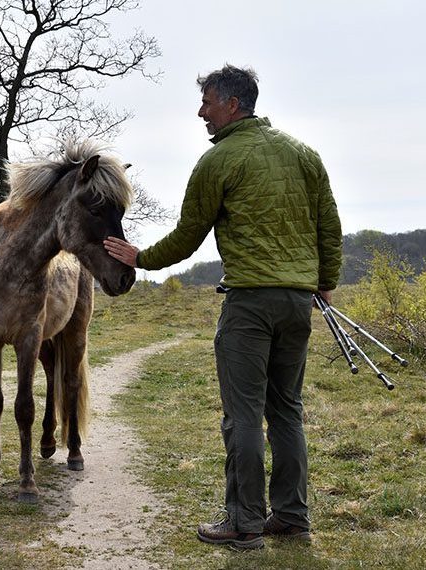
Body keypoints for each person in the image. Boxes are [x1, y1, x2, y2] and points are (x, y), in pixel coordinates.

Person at [104, 64, 342, 550]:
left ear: (233, 105)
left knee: (243, 415)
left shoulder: (218, 161)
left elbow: (189, 235)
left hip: (250, 303)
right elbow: (329, 226)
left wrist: (142, 258)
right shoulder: (305, 154)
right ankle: (293, 517)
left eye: (208, 103)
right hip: (299, 301)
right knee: (287, 410)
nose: (201, 112)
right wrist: (325, 283)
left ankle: (244, 523)